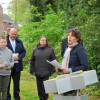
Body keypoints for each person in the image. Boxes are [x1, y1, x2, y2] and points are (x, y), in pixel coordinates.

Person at [7, 28, 26, 100]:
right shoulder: (5, 42)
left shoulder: (19, 42)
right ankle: (7, 98)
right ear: (9, 33)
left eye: (15, 34)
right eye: (12, 34)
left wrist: (19, 57)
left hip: (17, 66)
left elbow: (23, 52)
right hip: (8, 67)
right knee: (7, 84)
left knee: (17, 85)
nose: (14, 36)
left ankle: (17, 98)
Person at [0, 36, 14, 100]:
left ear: (6, 43)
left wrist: (10, 66)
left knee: (5, 90)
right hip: (0, 73)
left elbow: (12, 62)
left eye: (4, 42)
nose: (3, 43)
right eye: (2, 42)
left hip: (7, 73)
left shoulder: (10, 51)